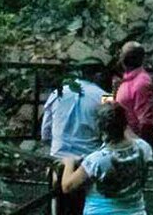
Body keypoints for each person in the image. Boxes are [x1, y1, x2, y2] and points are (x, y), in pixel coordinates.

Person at [41, 60, 109, 215]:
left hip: (58, 160)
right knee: (85, 205)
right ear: (98, 74)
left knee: (56, 205)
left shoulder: (58, 92)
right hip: (88, 162)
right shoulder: (105, 96)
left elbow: (45, 131)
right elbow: (111, 127)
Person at [61, 102, 153, 215]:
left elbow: (67, 186)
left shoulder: (97, 160)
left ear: (100, 128)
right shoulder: (144, 148)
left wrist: (69, 162)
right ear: (125, 124)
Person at [115, 41, 153, 153]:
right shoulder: (127, 78)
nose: (119, 56)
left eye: (122, 54)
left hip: (134, 143)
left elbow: (146, 122)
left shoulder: (141, 83)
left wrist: (147, 153)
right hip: (125, 139)